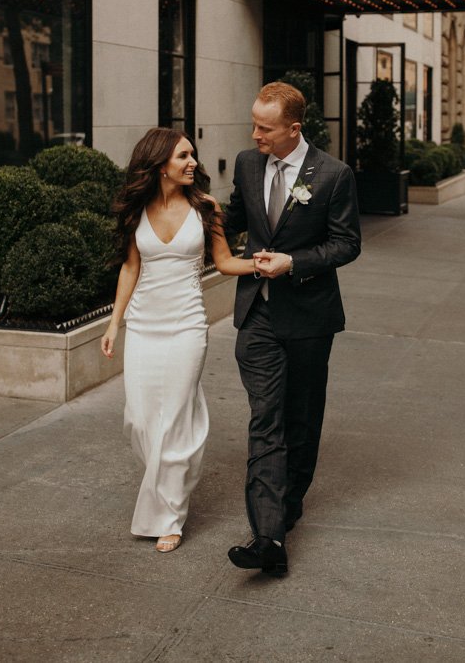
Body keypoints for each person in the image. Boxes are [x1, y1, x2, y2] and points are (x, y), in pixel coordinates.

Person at [224, 82, 361, 577]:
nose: (254, 134)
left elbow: (347, 244)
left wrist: (294, 262)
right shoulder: (246, 163)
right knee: (266, 418)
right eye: (254, 124)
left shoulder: (334, 174)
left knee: (301, 417)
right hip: (256, 314)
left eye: (264, 127)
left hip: (308, 316)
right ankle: (268, 535)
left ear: (293, 129)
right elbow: (232, 218)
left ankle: (288, 506)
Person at [101, 128, 257, 554]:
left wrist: (262, 264)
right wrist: (114, 323)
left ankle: (168, 515)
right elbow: (130, 269)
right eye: (183, 156)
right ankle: (166, 484)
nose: (192, 162)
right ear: (159, 163)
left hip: (187, 326)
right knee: (138, 418)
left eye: (193, 155)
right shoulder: (137, 210)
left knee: (174, 420)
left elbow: (224, 262)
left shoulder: (206, 208)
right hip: (144, 325)